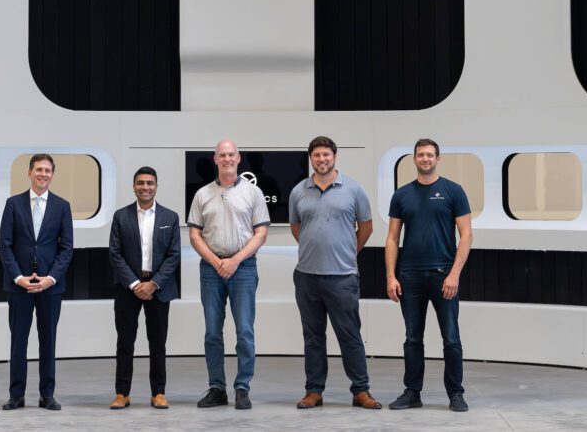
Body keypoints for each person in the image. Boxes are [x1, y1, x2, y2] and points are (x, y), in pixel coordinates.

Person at [289, 136, 382, 410]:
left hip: (342, 277)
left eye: (326, 155)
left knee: (350, 335)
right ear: (311, 158)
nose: (322, 160)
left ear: (334, 157)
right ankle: (314, 391)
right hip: (307, 276)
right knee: (313, 337)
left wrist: (349, 251)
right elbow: (297, 227)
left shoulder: (353, 189)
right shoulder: (298, 191)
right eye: (317, 155)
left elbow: (366, 226)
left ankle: (361, 390)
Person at [385, 138, 473, 413]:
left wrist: (454, 274)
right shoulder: (401, 195)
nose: (425, 159)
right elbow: (392, 238)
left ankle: (456, 394)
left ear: (438, 158)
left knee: (451, 339)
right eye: (420, 155)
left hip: (443, 275)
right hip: (409, 276)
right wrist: (391, 276)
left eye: (429, 155)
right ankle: (412, 393)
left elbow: (466, 235)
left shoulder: (453, 191)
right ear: (414, 159)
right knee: (412, 338)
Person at [188, 139, 270, 410]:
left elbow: (261, 233)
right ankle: (217, 388)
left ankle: (242, 388)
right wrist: (216, 262)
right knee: (212, 332)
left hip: (243, 268)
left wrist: (234, 261)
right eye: (222, 155)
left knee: (244, 331)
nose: (227, 159)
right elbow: (195, 235)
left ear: (238, 158)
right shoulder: (202, 194)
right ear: (215, 159)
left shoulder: (253, 193)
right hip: (211, 269)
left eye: (231, 154)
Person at [0, 154, 74, 411]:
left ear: (52, 175)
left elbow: (67, 248)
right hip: (19, 286)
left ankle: (47, 395)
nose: (43, 174)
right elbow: (5, 245)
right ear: (29, 173)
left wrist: (51, 278)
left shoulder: (62, 206)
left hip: (50, 287)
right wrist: (18, 277)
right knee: (18, 342)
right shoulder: (13, 204)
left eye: (48, 170)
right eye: (39, 169)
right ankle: (16, 395)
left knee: (48, 341)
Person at [107, 167, 181, 410]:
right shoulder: (121, 216)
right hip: (128, 288)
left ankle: (158, 393)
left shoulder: (170, 217)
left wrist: (153, 284)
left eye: (150, 183)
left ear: (156, 186)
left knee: (157, 343)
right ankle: (122, 393)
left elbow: (174, 255)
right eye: (140, 183)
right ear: (134, 187)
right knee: (125, 342)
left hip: (159, 288)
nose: (145, 187)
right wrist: (135, 284)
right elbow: (115, 253)